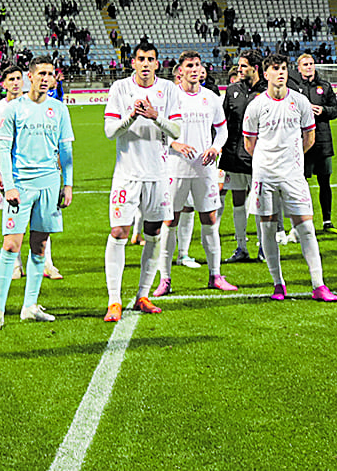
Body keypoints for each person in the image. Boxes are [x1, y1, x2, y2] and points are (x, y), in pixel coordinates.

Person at [243, 54, 337, 301]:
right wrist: (268, 162)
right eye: (275, 69)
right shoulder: (255, 106)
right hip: (265, 175)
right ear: (265, 74)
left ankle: (318, 285)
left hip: (293, 175)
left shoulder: (300, 101)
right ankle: (278, 283)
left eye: (284, 68)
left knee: (306, 227)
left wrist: (291, 160)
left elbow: (310, 137)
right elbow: (249, 143)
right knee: (267, 227)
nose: (281, 73)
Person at [0, 58, 74, 328]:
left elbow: (66, 150)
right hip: (21, 185)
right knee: (11, 245)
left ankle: (30, 306)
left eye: (51, 74)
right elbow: (2, 149)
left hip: (50, 183)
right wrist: (9, 185)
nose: (46, 78)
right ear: (30, 77)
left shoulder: (59, 109)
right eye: (41, 73)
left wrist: (67, 183)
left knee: (40, 246)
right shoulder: (13, 109)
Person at [102, 44, 183, 322]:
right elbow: (110, 131)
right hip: (127, 175)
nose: (146, 64)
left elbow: (176, 130)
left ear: (157, 64)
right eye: (141, 59)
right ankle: (114, 300)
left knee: (153, 233)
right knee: (119, 232)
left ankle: (143, 295)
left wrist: (154, 116)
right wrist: (133, 116)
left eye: (150, 60)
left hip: (158, 175)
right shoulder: (120, 89)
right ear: (133, 63)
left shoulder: (169, 90)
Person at [156, 51, 239, 295]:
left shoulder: (211, 98)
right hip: (175, 167)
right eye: (189, 65)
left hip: (205, 169)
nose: (194, 69)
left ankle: (215, 275)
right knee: (170, 220)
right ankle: (165, 279)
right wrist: (175, 144)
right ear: (180, 70)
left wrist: (216, 147)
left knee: (210, 219)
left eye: (197, 65)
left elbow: (222, 130)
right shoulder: (169, 97)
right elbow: (159, 129)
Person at [218, 51, 265, 263]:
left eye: (243, 66)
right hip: (233, 156)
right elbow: (222, 122)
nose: (239, 69)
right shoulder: (232, 90)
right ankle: (241, 247)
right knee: (237, 201)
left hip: (258, 158)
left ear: (255, 68)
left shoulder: (267, 91)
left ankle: (264, 248)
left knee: (261, 203)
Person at [288, 52, 337, 231]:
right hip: (301, 142)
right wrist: (304, 110)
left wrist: (324, 110)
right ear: (299, 68)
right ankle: (302, 223)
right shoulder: (294, 88)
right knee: (299, 183)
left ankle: (327, 221)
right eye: (305, 64)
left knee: (324, 183)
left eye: (311, 63)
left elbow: (335, 109)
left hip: (323, 142)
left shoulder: (325, 86)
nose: (309, 67)